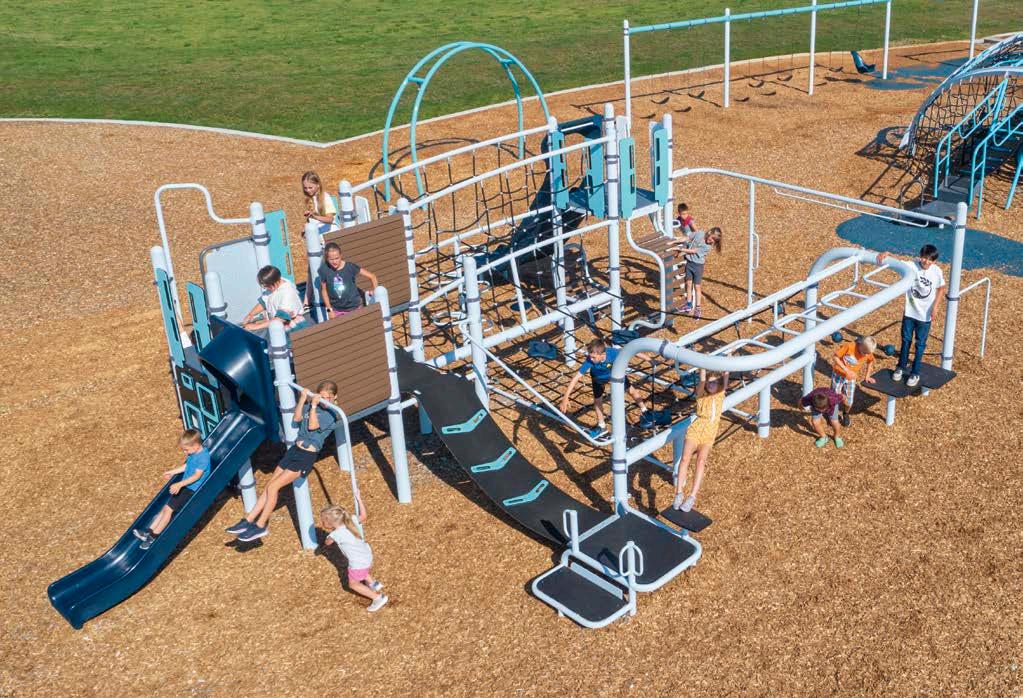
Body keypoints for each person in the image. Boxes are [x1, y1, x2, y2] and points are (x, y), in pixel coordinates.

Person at [226, 382, 339, 542]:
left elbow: (313, 426)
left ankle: (261, 525)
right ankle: (248, 520)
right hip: (295, 450)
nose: (325, 400)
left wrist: (314, 406)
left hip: (306, 456)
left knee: (274, 487)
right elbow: (297, 418)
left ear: (335, 397)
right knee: (269, 485)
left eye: (328, 397)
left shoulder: (331, 414)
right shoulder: (311, 407)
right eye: (322, 397)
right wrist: (303, 399)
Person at [878, 246, 946, 388]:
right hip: (910, 312)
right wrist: (887, 254)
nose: (926, 261)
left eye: (930, 259)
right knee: (906, 341)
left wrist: (936, 306)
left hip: (925, 315)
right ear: (920, 256)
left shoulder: (936, 272)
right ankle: (901, 367)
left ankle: (915, 372)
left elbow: (941, 288)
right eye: (924, 257)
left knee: (920, 344)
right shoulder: (912, 266)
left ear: (934, 261)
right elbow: (897, 262)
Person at [133, 430, 211, 550]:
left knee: (168, 511)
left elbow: (197, 476)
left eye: (186, 450)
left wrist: (179, 484)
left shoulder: (203, 457)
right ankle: (148, 532)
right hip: (185, 486)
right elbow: (187, 466)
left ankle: (152, 538)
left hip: (191, 490)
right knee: (165, 509)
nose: (185, 452)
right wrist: (172, 472)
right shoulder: (193, 453)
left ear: (195, 446)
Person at [559, 339, 652, 438]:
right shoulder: (590, 360)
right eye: (590, 356)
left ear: (603, 354)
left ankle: (645, 411)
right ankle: (602, 426)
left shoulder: (613, 353)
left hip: (615, 374)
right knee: (597, 400)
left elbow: (631, 351)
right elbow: (576, 377)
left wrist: (650, 360)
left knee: (631, 391)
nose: (591, 359)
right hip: (598, 378)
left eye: (594, 357)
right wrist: (565, 397)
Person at [320, 495, 389, 612]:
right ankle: (373, 584)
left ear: (330, 523)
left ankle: (378, 598)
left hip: (358, 563)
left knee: (353, 584)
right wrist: (359, 499)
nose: (322, 523)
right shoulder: (351, 521)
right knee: (363, 570)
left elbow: (327, 543)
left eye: (323, 521)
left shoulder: (335, 534)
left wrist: (328, 538)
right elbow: (364, 516)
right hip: (367, 555)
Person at [673, 369, 729, 512]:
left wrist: (728, 359)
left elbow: (726, 374)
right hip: (696, 430)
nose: (711, 385)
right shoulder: (701, 394)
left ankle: (692, 497)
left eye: (714, 383)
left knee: (701, 461)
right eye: (709, 382)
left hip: (709, 434)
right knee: (685, 459)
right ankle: (679, 493)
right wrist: (703, 368)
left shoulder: (720, 394)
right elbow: (703, 379)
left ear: (719, 385)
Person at [670, 227, 723, 320]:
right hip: (689, 264)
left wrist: (680, 249)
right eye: (712, 238)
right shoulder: (699, 233)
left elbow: (693, 251)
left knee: (697, 287)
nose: (712, 241)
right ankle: (688, 304)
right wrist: (673, 242)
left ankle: (698, 308)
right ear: (709, 232)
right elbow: (687, 238)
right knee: (688, 284)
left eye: (714, 241)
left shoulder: (708, 247)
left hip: (698, 267)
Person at [318, 243, 379, 318]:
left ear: (341, 256)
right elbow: (324, 291)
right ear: (327, 259)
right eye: (331, 259)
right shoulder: (324, 270)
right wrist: (329, 310)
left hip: (355, 308)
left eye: (337, 258)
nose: (334, 262)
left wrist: (375, 291)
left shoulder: (350, 267)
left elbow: (372, 276)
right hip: (337, 310)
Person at [242, 265, 305, 334]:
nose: (266, 288)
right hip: (279, 328)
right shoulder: (273, 286)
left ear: (275, 282)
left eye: (267, 286)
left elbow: (281, 318)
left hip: (294, 329)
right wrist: (251, 314)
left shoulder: (288, 293)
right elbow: (264, 301)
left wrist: (255, 327)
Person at [830, 335, 877, 426]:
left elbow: (870, 361)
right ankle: (834, 416)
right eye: (864, 352)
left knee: (849, 402)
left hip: (851, 378)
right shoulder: (849, 346)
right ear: (860, 345)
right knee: (835, 397)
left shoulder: (867, 352)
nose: (865, 355)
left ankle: (845, 413)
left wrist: (867, 376)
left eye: (868, 353)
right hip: (838, 374)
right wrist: (846, 370)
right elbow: (835, 357)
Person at [301, 171, 339, 236]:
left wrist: (314, 217)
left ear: (318, 185)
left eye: (310, 187)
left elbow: (330, 219)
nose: (308, 190)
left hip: (330, 233)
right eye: (305, 188)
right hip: (318, 234)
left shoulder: (325, 197)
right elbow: (313, 220)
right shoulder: (309, 199)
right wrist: (305, 228)